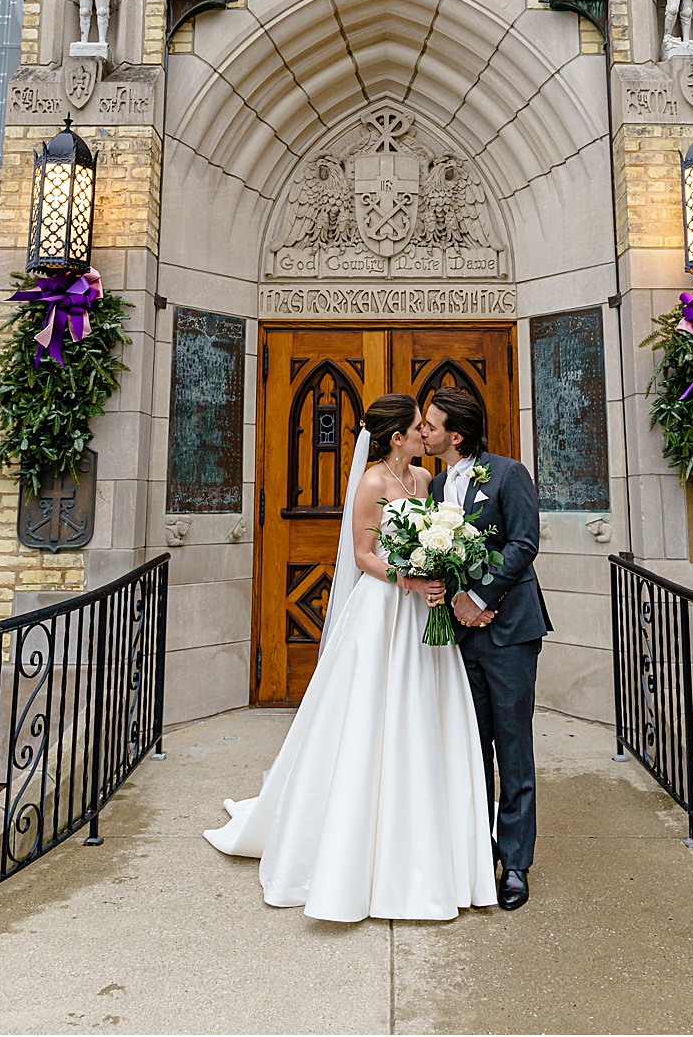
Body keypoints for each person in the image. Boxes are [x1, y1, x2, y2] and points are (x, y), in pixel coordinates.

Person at [204, 393, 497, 921]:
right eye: (416, 428)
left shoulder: (427, 483)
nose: (423, 435)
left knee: (423, 717)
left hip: (422, 615)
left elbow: (441, 538)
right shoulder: (372, 483)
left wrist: (440, 575)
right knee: (370, 717)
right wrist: (410, 578)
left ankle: (426, 839)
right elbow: (364, 556)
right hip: (384, 611)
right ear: (396, 439)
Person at [424, 385, 551, 912]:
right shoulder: (433, 487)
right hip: (462, 634)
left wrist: (480, 595)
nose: (423, 432)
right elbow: (440, 554)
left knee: (513, 746)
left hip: (510, 631)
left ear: (456, 434)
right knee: (471, 747)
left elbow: (524, 542)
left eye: (430, 425)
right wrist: (454, 598)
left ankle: (516, 863)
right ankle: (479, 852)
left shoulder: (507, 473)